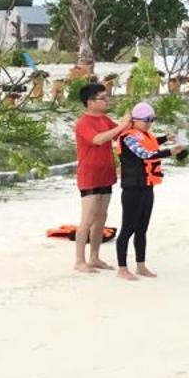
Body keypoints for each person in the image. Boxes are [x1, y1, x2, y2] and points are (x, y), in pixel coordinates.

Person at [114, 102, 186, 282]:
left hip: (147, 186)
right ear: (135, 120)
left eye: (152, 120)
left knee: (142, 229)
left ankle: (141, 265)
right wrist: (169, 152)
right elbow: (144, 153)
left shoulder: (146, 134)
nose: (149, 124)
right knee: (128, 229)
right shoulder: (126, 137)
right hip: (132, 189)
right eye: (146, 120)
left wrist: (165, 138)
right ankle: (122, 268)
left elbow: (151, 143)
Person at [71, 81, 130, 274]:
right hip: (89, 175)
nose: (106, 101)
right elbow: (98, 139)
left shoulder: (105, 119)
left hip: (106, 174)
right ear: (90, 102)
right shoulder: (83, 123)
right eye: (102, 98)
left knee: (101, 218)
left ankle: (94, 257)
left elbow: (121, 134)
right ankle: (80, 260)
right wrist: (120, 125)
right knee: (87, 219)